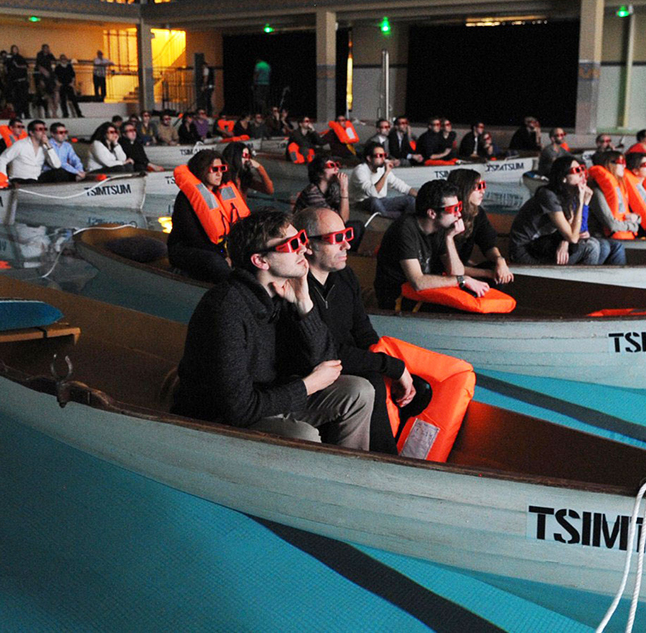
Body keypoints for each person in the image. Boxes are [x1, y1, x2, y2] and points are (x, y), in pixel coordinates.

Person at [171, 209, 373, 450]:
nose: (303, 249)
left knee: (359, 391)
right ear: (261, 261)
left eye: (301, 239)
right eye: (293, 244)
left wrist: (304, 304)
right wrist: (307, 386)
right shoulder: (225, 309)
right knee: (303, 434)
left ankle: (348, 467)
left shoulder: (282, 293)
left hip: (273, 398)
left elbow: (327, 360)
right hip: (218, 418)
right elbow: (238, 408)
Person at [293, 207, 432, 454]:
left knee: (421, 387)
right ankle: (387, 459)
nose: (347, 245)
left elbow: (364, 332)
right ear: (308, 246)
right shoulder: (296, 291)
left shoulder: (345, 276)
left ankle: (405, 447)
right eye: (336, 239)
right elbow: (327, 352)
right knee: (374, 381)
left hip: (352, 362)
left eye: (347, 235)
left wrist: (391, 367)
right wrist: (390, 367)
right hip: (316, 372)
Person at [374, 179, 489, 310]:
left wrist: (449, 238)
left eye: (459, 206)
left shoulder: (441, 228)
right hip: (396, 298)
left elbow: (457, 273)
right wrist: (463, 280)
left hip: (424, 293)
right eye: (454, 209)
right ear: (432, 213)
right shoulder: (404, 230)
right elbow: (418, 282)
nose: (459, 213)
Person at [509, 156, 622, 266]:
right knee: (591, 247)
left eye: (582, 169)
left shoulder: (568, 195)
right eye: (576, 170)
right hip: (524, 250)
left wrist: (565, 241)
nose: (582, 174)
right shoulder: (548, 196)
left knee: (604, 246)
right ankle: (580, 279)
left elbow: (577, 230)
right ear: (563, 177)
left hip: (542, 244)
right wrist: (581, 202)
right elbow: (573, 237)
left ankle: (588, 277)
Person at [168, 150, 242, 283]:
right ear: (202, 170)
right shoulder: (186, 198)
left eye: (222, 169)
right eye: (214, 169)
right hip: (184, 249)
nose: (219, 174)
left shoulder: (220, 195)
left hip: (217, 249)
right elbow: (192, 236)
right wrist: (222, 255)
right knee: (215, 261)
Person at [446, 169, 513, 285]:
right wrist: (487, 273)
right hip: (447, 274)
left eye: (483, 185)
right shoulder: (447, 216)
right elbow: (448, 267)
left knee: (495, 269)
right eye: (478, 187)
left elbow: (488, 244)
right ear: (465, 189)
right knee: (492, 276)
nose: (483, 191)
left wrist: (499, 260)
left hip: (462, 269)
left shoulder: (477, 213)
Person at [294, 156, 364, 250]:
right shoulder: (311, 193)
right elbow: (343, 220)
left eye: (337, 165)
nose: (336, 169)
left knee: (357, 226)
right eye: (331, 165)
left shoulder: (332, 189)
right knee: (353, 227)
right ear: (319, 173)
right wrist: (344, 189)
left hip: (323, 225)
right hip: (310, 231)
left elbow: (344, 217)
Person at [350, 142, 417, 218]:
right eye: (380, 156)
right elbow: (372, 193)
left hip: (382, 201)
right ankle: (389, 219)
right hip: (360, 203)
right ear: (369, 158)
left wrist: (419, 196)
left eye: (384, 155)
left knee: (410, 200)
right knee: (374, 201)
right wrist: (386, 173)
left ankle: (403, 220)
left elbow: (400, 185)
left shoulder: (381, 168)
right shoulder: (360, 171)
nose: (383, 159)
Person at [586, 150, 641, 243]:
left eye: (624, 162)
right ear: (608, 164)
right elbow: (611, 225)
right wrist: (633, 226)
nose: (624, 166)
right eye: (620, 162)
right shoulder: (596, 193)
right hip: (602, 240)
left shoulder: (619, 188)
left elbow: (634, 216)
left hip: (620, 237)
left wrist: (637, 218)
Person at [0, 120, 67, 183]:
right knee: (31, 181)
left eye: (44, 129)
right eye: (40, 129)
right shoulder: (20, 144)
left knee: (60, 172)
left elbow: (56, 165)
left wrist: (48, 145)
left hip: (36, 179)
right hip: (19, 180)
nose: (43, 132)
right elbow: (2, 159)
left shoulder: (45, 146)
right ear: (31, 132)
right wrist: (4, 179)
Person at [34, 44, 59, 118]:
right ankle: (54, 112)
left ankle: (54, 111)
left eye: (47, 48)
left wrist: (50, 54)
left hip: (50, 77)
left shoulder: (50, 55)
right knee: (48, 96)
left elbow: (54, 62)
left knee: (56, 94)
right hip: (43, 77)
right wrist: (43, 73)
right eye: (45, 48)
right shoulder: (39, 55)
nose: (46, 49)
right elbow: (38, 66)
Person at [6, 44, 29, 117]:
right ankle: (19, 113)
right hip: (15, 82)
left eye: (16, 49)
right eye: (13, 49)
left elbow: (26, 66)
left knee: (24, 98)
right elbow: (7, 67)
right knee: (17, 98)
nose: (15, 50)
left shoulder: (20, 57)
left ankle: (26, 113)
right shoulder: (10, 58)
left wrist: (17, 66)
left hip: (22, 81)